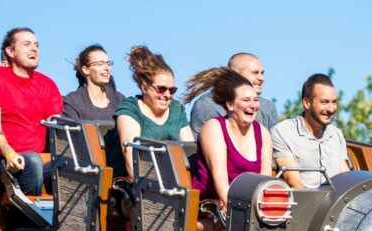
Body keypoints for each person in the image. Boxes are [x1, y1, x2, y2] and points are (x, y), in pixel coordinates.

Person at [0, 27, 62, 195]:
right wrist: (9, 154)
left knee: (75, 167)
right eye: (27, 44)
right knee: (32, 161)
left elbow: (57, 127)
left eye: (36, 45)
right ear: (10, 51)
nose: (34, 49)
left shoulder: (47, 84)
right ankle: (26, 221)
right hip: (4, 162)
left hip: (41, 163)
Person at [185, 67, 272, 209]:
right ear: (230, 105)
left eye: (255, 100)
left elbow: (265, 181)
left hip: (248, 207)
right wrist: (236, 214)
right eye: (245, 100)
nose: (253, 105)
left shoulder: (263, 133)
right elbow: (220, 180)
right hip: (212, 205)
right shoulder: (214, 128)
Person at [114, 45, 192, 178]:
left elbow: (190, 153)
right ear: (144, 88)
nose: (167, 95)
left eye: (172, 90)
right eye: (161, 89)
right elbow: (131, 161)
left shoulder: (177, 110)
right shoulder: (130, 110)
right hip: (141, 182)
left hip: (175, 181)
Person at [271, 74, 349, 189]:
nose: (331, 109)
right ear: (307, 103)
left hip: (337, 203)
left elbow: (346, 179)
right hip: (304, 204)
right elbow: (293, 182)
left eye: (334, 102)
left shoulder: (336, 134)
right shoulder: (283, 132)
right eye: (324, 102)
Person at [189, 52, 278, 136]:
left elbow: (273, 147)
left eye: (262, 73)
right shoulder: (207, 106)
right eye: (255, 73)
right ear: (235, 75)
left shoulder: (267, 107)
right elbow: (198, 148)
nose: (261, 78)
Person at [62, 44, 125, 121]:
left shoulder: (121, 101)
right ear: (85, 69)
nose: (107, 68)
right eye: (100, 64)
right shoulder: (72, 102)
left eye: (108, 63)